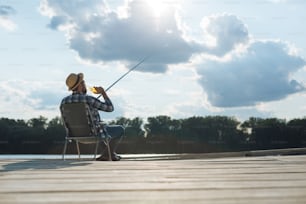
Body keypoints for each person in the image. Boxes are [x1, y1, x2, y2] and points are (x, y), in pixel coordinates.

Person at [61, 73, 124, 161]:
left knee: (99, 128)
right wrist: (103, 93)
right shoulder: (88, 99)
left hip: (74, 136)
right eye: (83, 83)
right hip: (93, 134)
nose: (85, 84)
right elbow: (110, 108)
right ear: (80, 86)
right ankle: (107, 155)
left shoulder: (64, 102)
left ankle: (109, 154)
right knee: (120, 129)